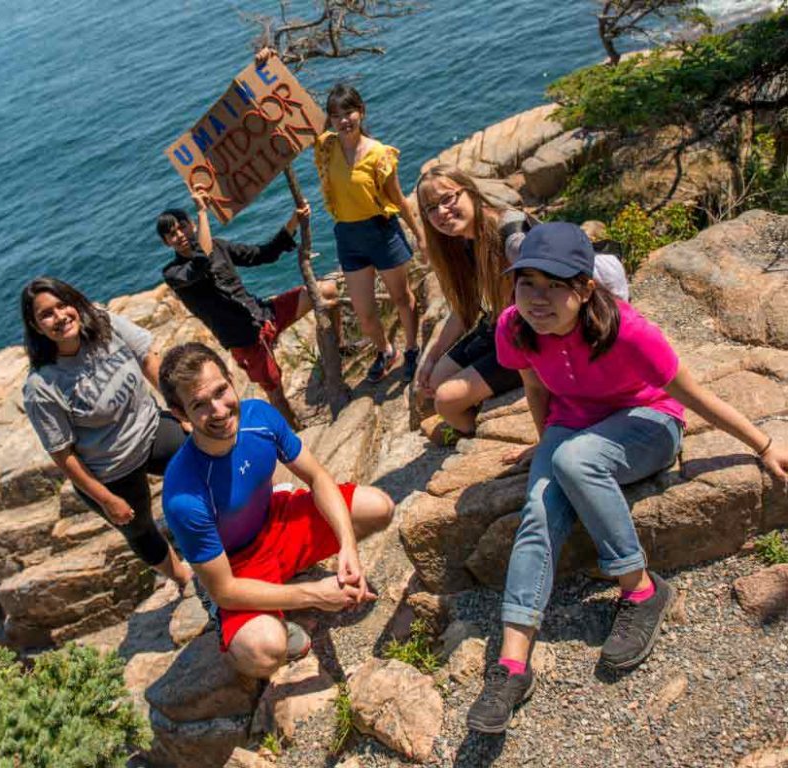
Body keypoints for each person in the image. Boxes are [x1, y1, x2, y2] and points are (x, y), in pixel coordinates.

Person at [465, 223, 788, 734]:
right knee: (538, 509)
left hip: (649, 424)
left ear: (586, 287)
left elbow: (694, 396)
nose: (538, 299)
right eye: (528, 283)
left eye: (555, 285)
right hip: (570, 424)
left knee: (575, 461)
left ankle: (640, 589)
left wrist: (763, 444)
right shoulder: (514, 326)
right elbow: (534, 388)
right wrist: (543, 442)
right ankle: (511, 665)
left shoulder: (628, 331)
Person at [158, 342, 395, 679]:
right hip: (237, 566)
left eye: (221, 391)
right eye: (200, 405)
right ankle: (246, 614)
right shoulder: (184, 492)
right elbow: (224, 589)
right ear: (181, 415)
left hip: (278, 521)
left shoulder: (259, 417)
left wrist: (347, 546)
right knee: (263, 652)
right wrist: (314, 595)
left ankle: (286, 584)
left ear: (231, 378)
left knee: (378, 507)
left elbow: (317, 477)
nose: (220, 410)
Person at [414, 165, 629, 440]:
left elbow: (567, 279)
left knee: (445, 401)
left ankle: (472, 435)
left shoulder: (511, 237)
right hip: (505, 323)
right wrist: (431, 357)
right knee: (434, 379)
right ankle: (468, 414)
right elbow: (463, 309)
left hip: (530, 331)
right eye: (431, 208)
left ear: (470, 192)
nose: (441, 212)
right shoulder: (461, 243)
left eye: (448, 199)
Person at [20, 277, 192, 587]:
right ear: (35, 325)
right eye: (46, 314)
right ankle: (182, 577)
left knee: (207, 452)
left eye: (62, 305)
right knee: (139, 529)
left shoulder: (103, 323)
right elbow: (62, 454)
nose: (59, 317)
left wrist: (181, 411)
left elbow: (146, 358)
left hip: (149, 429)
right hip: (109, 469)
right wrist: (106, 498)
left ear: (74, 302)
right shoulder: (42, 387)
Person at [157, 191, 338, 430]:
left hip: (264, 315)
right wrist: (203, 212)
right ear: (166, 242)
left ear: (191, 226)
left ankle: (340, 347)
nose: (179, 235)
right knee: (276, 391)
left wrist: (293, 222)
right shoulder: (173, 273)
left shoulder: (220, 247)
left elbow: (262, 254)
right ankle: (297, 435)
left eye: (182, 227)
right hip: (244, 339)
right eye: (171, 233)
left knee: (327, 291)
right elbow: (201, 262)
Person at [314, 83, 424, 383]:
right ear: (330, 119)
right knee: (364, 313)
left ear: (361, 112)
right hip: (348, 237)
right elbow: (294, 116)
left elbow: (399, 200)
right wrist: (267, 60)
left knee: (401, 298)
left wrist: (420, 236)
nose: (344, 120)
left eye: (349, 112)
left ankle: (412, 348)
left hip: (381, 232)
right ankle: (386, 351)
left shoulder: (378, 154)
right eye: (336, 115)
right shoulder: (326, 147)